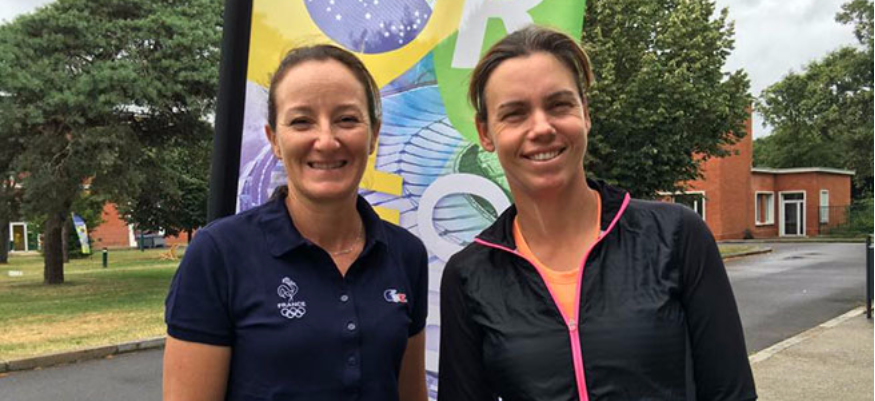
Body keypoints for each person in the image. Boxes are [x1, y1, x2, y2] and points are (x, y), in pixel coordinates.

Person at [438, 26, 756, 401]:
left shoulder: (675, 236)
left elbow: (730, 393)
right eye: (515, 113)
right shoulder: (469, 275)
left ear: (586, 113)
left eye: (559, 105)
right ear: (485, 133)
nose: (541, 128)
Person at [163, 44, 429, 401]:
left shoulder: (406, 254)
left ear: (374, 135)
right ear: (274, 139)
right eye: (302, 121)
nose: (326, 140)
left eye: (347, 119)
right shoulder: (218, 255)